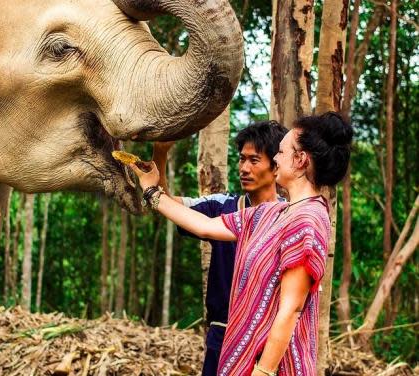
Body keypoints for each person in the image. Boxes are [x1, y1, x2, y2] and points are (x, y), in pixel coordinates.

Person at [131, 112, 352, 375]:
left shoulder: (308, 219)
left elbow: (290, 308)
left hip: (274, 367)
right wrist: (151, 190)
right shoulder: (273, 214)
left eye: (280, 153)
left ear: (300, 160)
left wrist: (263, 371)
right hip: (238, 357)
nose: (277, 160)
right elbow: (205, 225)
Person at [152, 121, 287, 376]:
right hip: (222, 333)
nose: (244, 168)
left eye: (254, 160)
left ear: (275, 165)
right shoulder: (221, 206)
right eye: (241, 159)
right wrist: (160, 153)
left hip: (269, 340)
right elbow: (167, 203)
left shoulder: (289, 217)